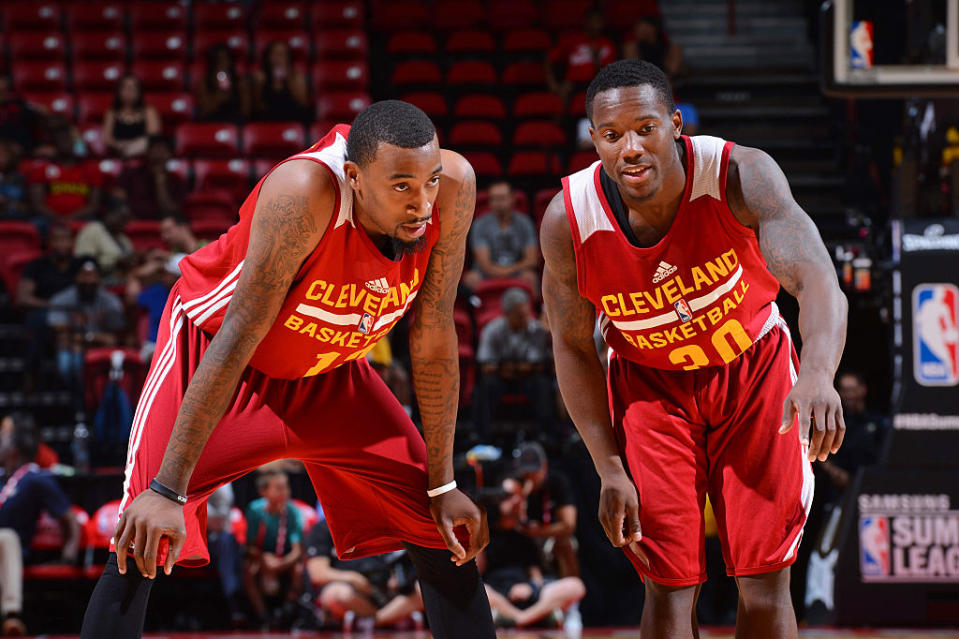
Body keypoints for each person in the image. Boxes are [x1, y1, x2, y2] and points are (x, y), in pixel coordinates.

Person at [79, 100, 495, 639]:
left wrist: (442, 484)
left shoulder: (455, 187)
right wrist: (166, 490)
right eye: (401, 188)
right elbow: (239, 333)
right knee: (143, 534)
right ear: (354, 178)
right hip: (223, 360)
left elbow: (436, 333)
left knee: (442, 529)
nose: (422, 204)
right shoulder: (305, 191)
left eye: (429, 182)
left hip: (330, 367)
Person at [540, 60, 848, 638]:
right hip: (650, 390)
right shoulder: (569, 220)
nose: (630, 147)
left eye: (645, 128)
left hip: (753, 376)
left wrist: (819, 374)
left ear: (675, 124)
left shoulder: (741, 176)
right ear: (594, 139)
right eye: (612, 135)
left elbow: (818, 281)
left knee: (763, 578)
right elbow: (572, 346)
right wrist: (608, 466)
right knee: (669, 583)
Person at [0, 413, 82, 636]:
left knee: (5, 537)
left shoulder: (35, 478)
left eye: (3, 436)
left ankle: (11, 616)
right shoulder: (3, 479)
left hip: (11, 551)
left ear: (16, 445)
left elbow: (70, 519)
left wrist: (68, 557)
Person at [479, 464, 586, 629]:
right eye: (508, 495)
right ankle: (532, 617)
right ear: (496, 497)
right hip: (498, 593)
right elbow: (478, 572)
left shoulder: (526, 533)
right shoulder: (484, 531)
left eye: (519, 496)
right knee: (480, 591)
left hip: (529, 593)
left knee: (574, 585)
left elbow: (534, 572)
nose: (515, 501)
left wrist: (531, 587)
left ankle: (519, 619)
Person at [306, 517, 424, 630]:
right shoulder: (324, 528)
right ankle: (388, 619)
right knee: (336, 594)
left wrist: (399, 577)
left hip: (389, 594)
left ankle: (374, 622)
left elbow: (407, 561)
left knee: (423, 589)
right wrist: (352, 578)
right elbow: (318, 573)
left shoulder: (383, 523)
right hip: (357, 595)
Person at [472, 288, 554, 441]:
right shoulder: (492, 330)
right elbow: (487, 367)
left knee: (542, 384)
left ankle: (546, 436)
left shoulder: (536, 329)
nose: (525, 319)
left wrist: (506, 367)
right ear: (507, 314)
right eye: (520, 316)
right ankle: (482, 437)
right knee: (485, 386)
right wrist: (520, 368)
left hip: (526, 378)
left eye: (526, 313)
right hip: (500, 379)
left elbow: (539, 366)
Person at [47, 257, 126, 394]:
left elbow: (117, 334)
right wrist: (93, 338)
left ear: (99, 278)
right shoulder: (62, 299)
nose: (88, 281)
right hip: (71, 347)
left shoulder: (109, 301)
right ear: (76, 277)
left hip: (99, 347)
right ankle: (76, 400)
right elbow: (59, 330)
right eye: (84, 275)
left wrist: (88, 338)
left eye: (92, 276)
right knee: (68, 364)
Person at [243, 468, 303, 628]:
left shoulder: (294, 512)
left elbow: (297, 550)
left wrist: (281, 564)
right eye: (278, 488)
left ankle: (287, 611)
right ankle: (263, 617)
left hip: (285, 558)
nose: (285, 492)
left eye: (286, 487)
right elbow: (249, 546)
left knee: (298, 570)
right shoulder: (255, 510)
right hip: (261, 557)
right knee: (248, 571)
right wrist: (264, 561)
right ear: (264, 492)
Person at [818, 371, 888, 505]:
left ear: (863, 389)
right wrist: (836, 473)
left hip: (872, 493)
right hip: (840, 494)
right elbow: (818, 453)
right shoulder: (832, 422)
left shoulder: (878, 422)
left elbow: (886, 454)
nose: (849, 395)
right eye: (844, 390)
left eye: (852, 390)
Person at [462, 181, 540, 293]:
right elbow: (484, 264)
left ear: (512, 199)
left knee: (530, 277)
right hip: (486, 273)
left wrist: (508, 270)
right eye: (493, 199)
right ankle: (482, 309)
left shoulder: (525, 223)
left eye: (502, 198)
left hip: (517, 271)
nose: (498, 203)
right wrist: (504, 271)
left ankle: (533, 309)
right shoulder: (479, 224)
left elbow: (532, 260)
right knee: (471, 278)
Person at [27, 119, 102, 222]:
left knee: (95, 226)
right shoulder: (41, 169)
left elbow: (94, 205)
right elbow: (37, 204)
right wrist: (58, 219)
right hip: (48, 218)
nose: (66, 144)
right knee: (37, 224)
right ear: (55, 145)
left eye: (70, 140)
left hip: (82, 218)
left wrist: (71, 218)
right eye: (62, 140)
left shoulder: (90, 169)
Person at [546, 9, 617, 103]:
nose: (595, 25)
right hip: (573, 83)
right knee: (563, 91)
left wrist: (596, 58)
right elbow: (549, 60)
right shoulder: (572, 41)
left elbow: (607, 73)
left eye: (598, 22)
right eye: (592, 21)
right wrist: (552, 84)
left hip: (597, 82)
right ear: (586, 22)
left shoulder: (607, 45)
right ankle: (563, 117)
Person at [116, 136, 187, 220]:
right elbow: (118, 197)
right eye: (155, 149)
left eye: (162, 150)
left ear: (170, 154)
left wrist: (160, 182)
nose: (158, 154)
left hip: (163, 221)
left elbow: (171, 210)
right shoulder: (131, 173)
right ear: (147, 152)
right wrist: (127, 213)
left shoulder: (177, 180)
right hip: (132, 219)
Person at [73, 198, 135, 283]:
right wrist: (115, 263)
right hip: (96, 282)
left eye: (126, 219)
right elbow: (83, 264)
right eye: (121, 218)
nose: (124, 223)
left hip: (122, 280)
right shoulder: (92, 230)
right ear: (109, 214)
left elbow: (130, 263)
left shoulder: (124, 239)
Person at [102, 74, 161, 159]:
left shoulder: (148, 111)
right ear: (119, 91)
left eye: (133, 88)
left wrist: (132, 145)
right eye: (125, 88)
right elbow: (108, 139)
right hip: (119, 150)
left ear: (139, 91)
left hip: (144, 152)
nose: (129, 92)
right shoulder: (111, 113)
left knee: (146, 142)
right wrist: (119, 145)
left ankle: (128, 154)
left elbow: (153, 135)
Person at [252, 40, 309, 122]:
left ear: (288, 57)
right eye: (275, 54)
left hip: (292, 116)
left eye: (282, 54)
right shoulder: (260, 76)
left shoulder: (297, 76)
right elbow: (257, 106)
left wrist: (288, 78)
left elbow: (302, 102)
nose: (278, 57)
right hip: (268, 118)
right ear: (268, 57)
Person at [195, 43, 251, 123]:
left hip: (235, 122)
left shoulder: (240, 81)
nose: (222, 63)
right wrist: (220, 94)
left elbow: (246, 111)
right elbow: (205, 110)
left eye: (225, 59)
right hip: (211, 122)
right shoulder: (204, 82)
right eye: (218, 60)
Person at [622, 16, 685, 82]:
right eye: (637, 27)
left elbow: (673, 70)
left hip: (667, 81)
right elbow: (633, 69)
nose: (637, 30)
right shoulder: (631, 47)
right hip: (642, 82)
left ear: (652, 28)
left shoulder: (672, 48)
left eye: (641, 27)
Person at [0, 140, 27, 219]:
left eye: (3, 153)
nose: (0, 157)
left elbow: (28, 207)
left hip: (15, 217)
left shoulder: (19, 178)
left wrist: (7, 202)